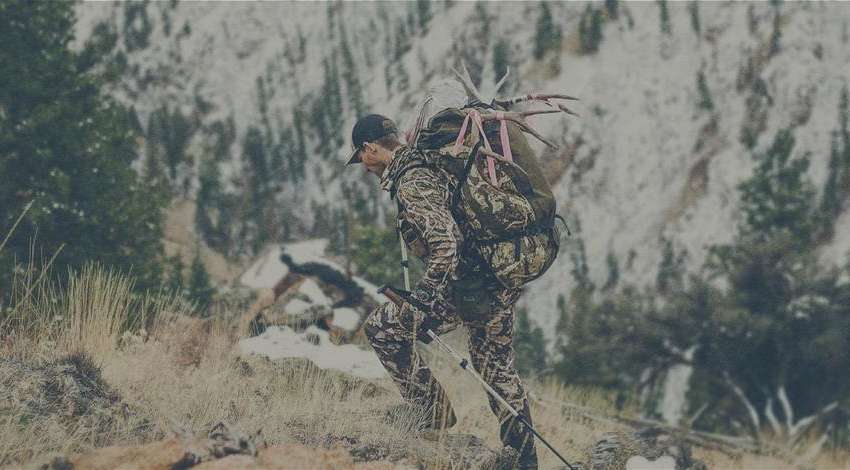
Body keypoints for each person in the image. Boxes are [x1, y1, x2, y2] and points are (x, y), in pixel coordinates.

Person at [346, 113, 539, 469]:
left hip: (463, 285)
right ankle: (525, 461)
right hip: (495, 278)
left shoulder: (412, 181)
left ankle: (431, 412)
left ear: (370, 148)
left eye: (361, 157)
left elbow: (445, 243)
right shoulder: (428, 159)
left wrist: (424, 296)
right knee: (496, 371)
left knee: (383, 328)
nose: (363, 166)